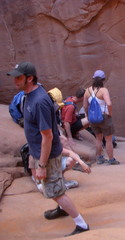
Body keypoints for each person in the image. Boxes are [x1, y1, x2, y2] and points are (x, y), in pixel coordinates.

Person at [7, 61, 89, 236]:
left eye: (18, 78)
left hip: (47, 155)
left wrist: (42, 165)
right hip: (40, 151)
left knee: (55, 191)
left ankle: (81, 225)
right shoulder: (29, 95)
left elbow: (47, 136)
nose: (15, 81)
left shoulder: (39, 101)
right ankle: (61, 209)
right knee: (53, 187)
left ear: (30, 78)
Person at [83, 70, 119, 165]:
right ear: (103, 79)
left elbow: (85, 106)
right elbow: (109, 104)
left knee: (98, 138)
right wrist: (110, 113)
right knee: (108, 139)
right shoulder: (104, 90)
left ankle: (99, 158)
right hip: (104, 117)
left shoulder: (87, 90)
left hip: (93, 118)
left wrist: (87, 115)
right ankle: (111, 159)